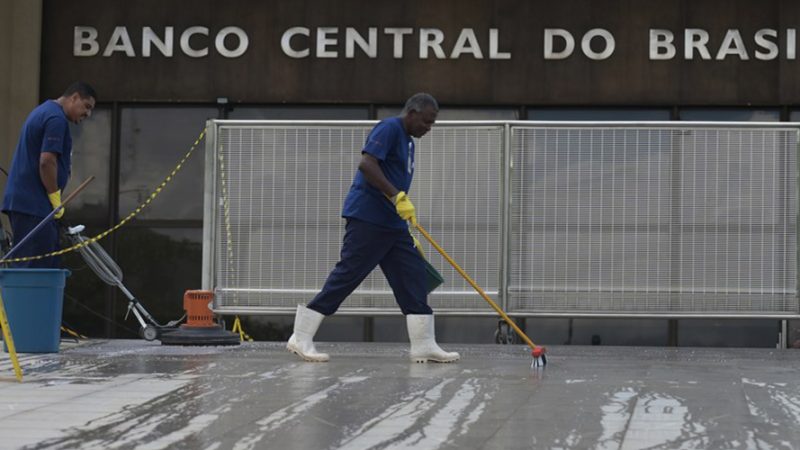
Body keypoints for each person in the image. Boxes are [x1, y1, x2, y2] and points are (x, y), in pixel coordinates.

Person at [287, 93, 459, 363]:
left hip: (393, 224)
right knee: (349, 273)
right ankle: (301, 336)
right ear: (412, 113)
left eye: (432, 123)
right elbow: (367, 164)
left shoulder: (409, 141)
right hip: (369, 218)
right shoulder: (389, 128)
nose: (429, 127)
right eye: (426, 121)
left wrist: (401, 212)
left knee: (413, 275)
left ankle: (423, 344)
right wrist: (397, 196)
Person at [2, 81, 96, 268]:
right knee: (36, 268)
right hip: (34, 206)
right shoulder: (56, 119)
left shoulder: (43, 111)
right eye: (87, 106)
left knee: (43, 262)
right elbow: (46, 161)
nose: (88, 114)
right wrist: (54, 197)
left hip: (29, 204)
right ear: (74, 97)